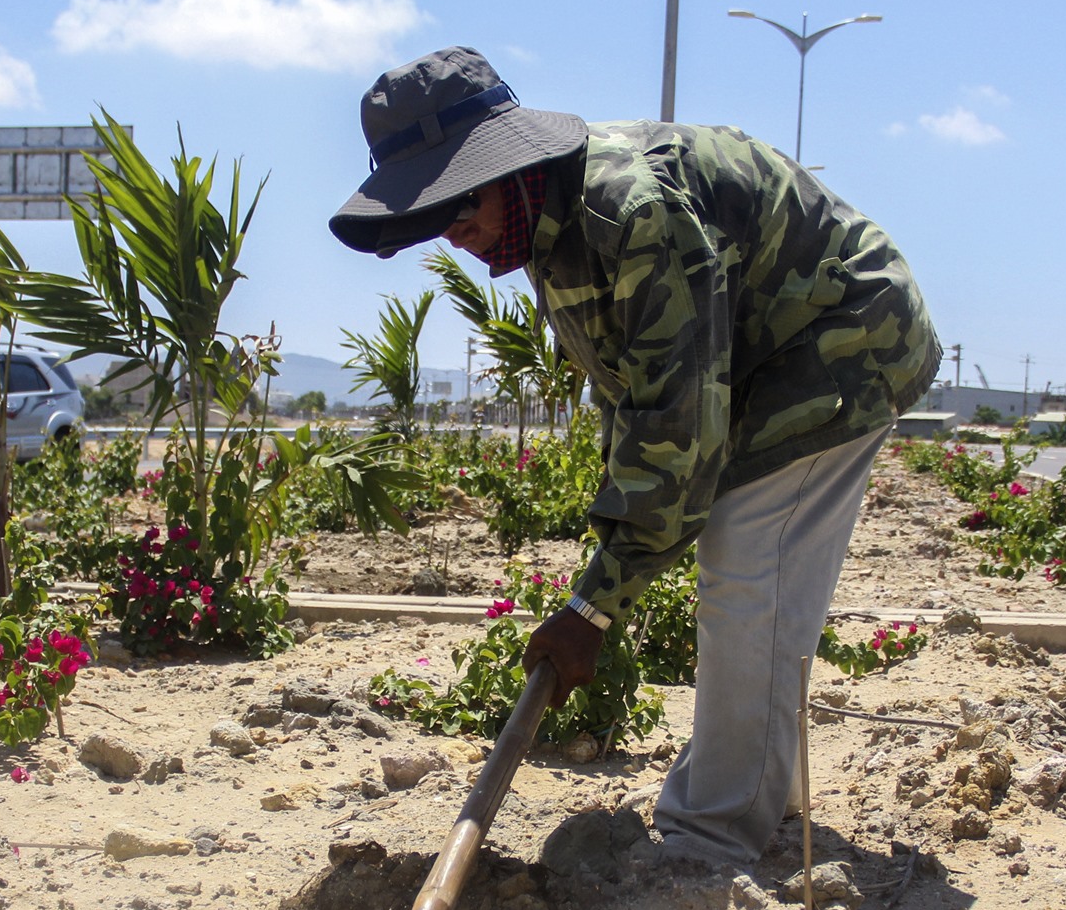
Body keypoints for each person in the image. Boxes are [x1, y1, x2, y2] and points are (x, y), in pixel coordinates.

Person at [329, 46, 940, 864]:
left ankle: (713, 835)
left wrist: (593, 608)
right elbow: (632, 398)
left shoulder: (627, 212)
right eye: (434, 214)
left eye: (458, 200)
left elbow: (679, 424)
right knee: (743, 556)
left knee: (751, 555)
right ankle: (759, 788)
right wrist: (603, 585)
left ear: (508, 165)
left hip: (844, 341)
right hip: (764, 357)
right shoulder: (547, 228)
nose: (456, 230)